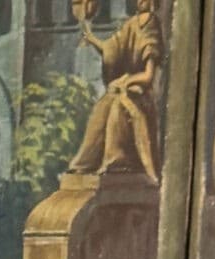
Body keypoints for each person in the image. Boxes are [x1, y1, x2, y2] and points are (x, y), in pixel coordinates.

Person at [67, 0, 164, 182]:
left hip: (141, 94)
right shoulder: (131, 24)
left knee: (118, 108)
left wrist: (127, 81)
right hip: (124, 88)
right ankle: (85, 162)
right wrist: (92, 39)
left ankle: (116, 161)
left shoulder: (152, 26)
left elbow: (148, 76)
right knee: (103, 105)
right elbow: (111, 51)